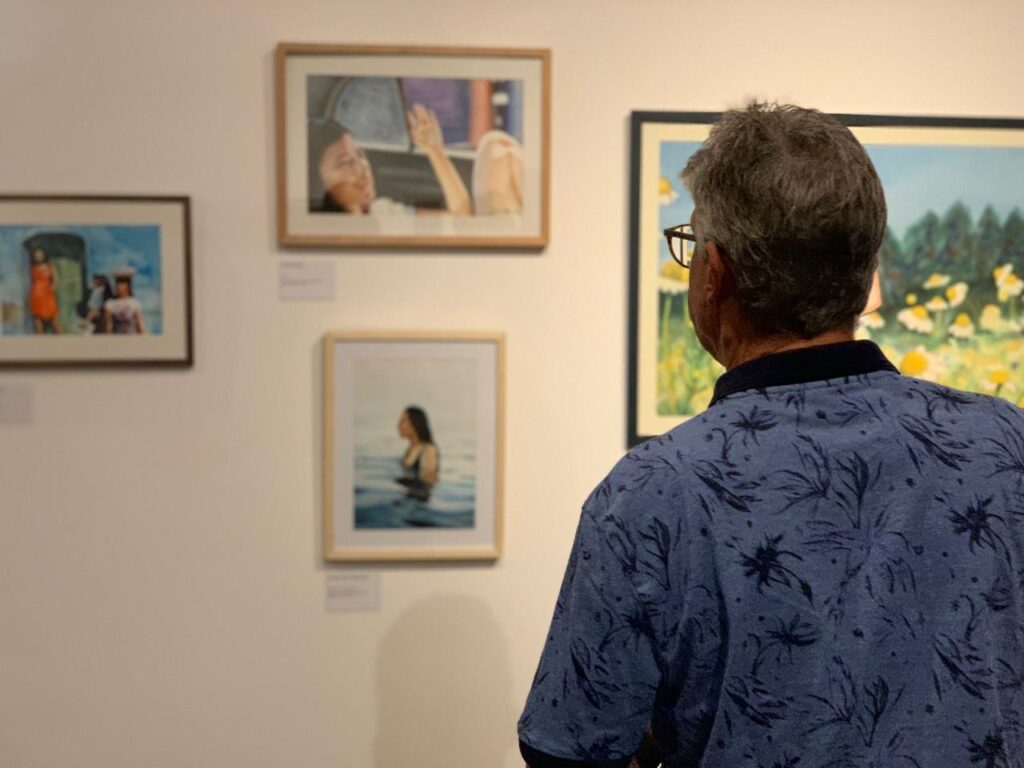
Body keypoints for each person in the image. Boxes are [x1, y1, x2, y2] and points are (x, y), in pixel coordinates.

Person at [518, 103, 1024, 767]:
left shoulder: (651, 497)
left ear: (716, 272)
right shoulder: (1002, 445)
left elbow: (570, 749)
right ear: (867, 274)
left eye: (692, 243)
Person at [310, 107, 471, 216]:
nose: (361, 167)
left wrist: (435, 151)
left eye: (360, 155)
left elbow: (460, 221)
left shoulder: (383, 211)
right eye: (344, 162)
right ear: (318, 182)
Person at [395, 406, 440, 500]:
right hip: (409, 494)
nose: (398, 425)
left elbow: (429, 481)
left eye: (403, 421)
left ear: (415, 424)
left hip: (418, 499)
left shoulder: (428, 449)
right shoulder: (411, 448)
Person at [28, 247, 63, 334]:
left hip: (47, 294)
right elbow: (31, 282)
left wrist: (51, 289)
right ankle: (38, 343)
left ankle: (63, 343)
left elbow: (57, 280)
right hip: (36, 294)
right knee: (37, 318)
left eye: (40, 255)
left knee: (54, 318)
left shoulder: (50, 267)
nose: (38, 257)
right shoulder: (32, 268)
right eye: (36, 255)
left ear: (44, 255)